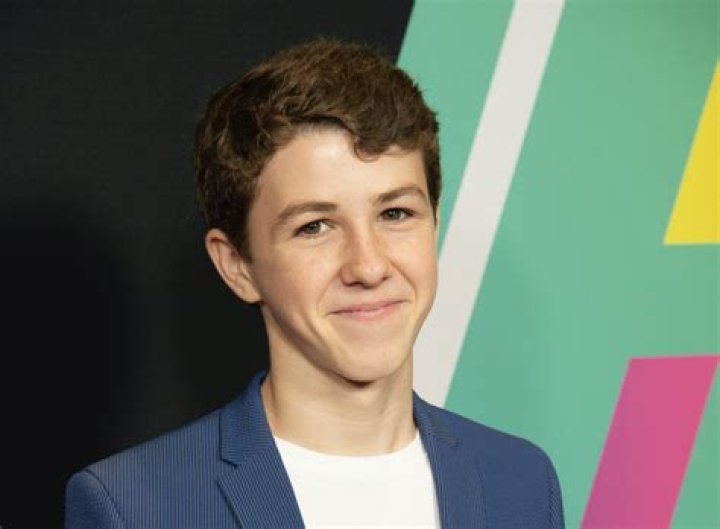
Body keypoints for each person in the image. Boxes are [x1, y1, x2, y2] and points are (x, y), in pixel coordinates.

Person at [65, 39, 564, 528]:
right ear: (237, 265)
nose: (368, 267)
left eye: (395, 213)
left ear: (434, 224)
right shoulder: (136, 507)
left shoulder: (520, 481)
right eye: (315, 226)